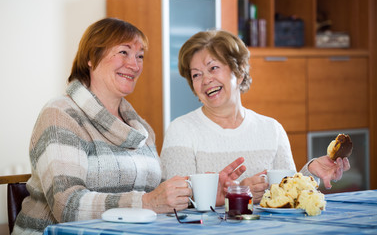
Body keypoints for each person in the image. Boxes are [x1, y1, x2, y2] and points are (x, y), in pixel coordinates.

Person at [13, 18, 245, 234]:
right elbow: (67, 205)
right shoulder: (61, 114)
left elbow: (157, 192)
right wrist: (145, 203)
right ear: (91, 58)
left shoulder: (139, 126)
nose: (134, 65)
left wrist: (200, 194)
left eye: (140, 56)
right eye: (123, 52)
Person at [160, 29, 351, 204]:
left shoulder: (271, 129)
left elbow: (289, 194)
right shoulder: (181, 130)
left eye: (213, 68)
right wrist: (238, 194)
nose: (206, 80)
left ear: (239, 71)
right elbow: (176, 202)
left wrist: (311, 173)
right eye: (196, 75)